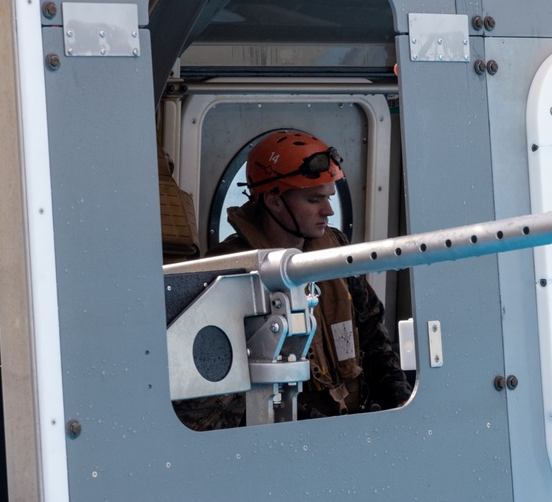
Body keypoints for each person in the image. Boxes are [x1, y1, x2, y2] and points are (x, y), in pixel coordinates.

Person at [175, 130, 411, 429]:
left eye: (328, 197)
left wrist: (403, 409)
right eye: (314, 199)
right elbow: (218, 394)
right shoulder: (226, 273)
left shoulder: (335, 248)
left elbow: (374, 339)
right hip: (281, 436)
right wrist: (317, 428)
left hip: (353, 426)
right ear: (274, 201)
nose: (328, 211)